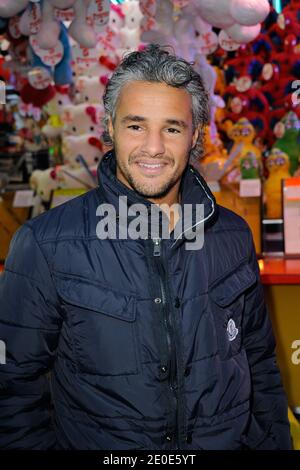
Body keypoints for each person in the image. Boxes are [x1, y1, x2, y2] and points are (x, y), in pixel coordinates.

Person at [0, 44, 291, 450]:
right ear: (110, 127)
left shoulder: (233, 235)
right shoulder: (45, 245)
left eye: (171, 128)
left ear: (195, 135)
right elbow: (13, 392)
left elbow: (260, 366)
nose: (153, 147)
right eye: (136, 126)